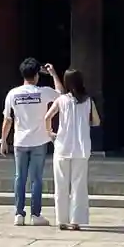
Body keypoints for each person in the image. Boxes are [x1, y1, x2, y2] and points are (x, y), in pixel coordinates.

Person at [0, 57, 59, 227]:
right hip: (39, 140)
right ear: (37, 75)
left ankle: (19, 214)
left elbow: (8, 119)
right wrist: (53, 74)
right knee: (36, 179)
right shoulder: (44, 92)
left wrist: (3, 140)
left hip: (20, 141)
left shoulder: (13, 93)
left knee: (20, 177)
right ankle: (35, 214)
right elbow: (61, 95)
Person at [45, 67, 100, 231]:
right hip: (82, 148)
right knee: (79, 185)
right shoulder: (88, 101)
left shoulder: (61, 100)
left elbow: (47, 117)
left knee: (61, 184)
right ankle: (76, 220)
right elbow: (96, 122)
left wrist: (50, 133)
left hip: (63, 146)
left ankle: (61, 220)